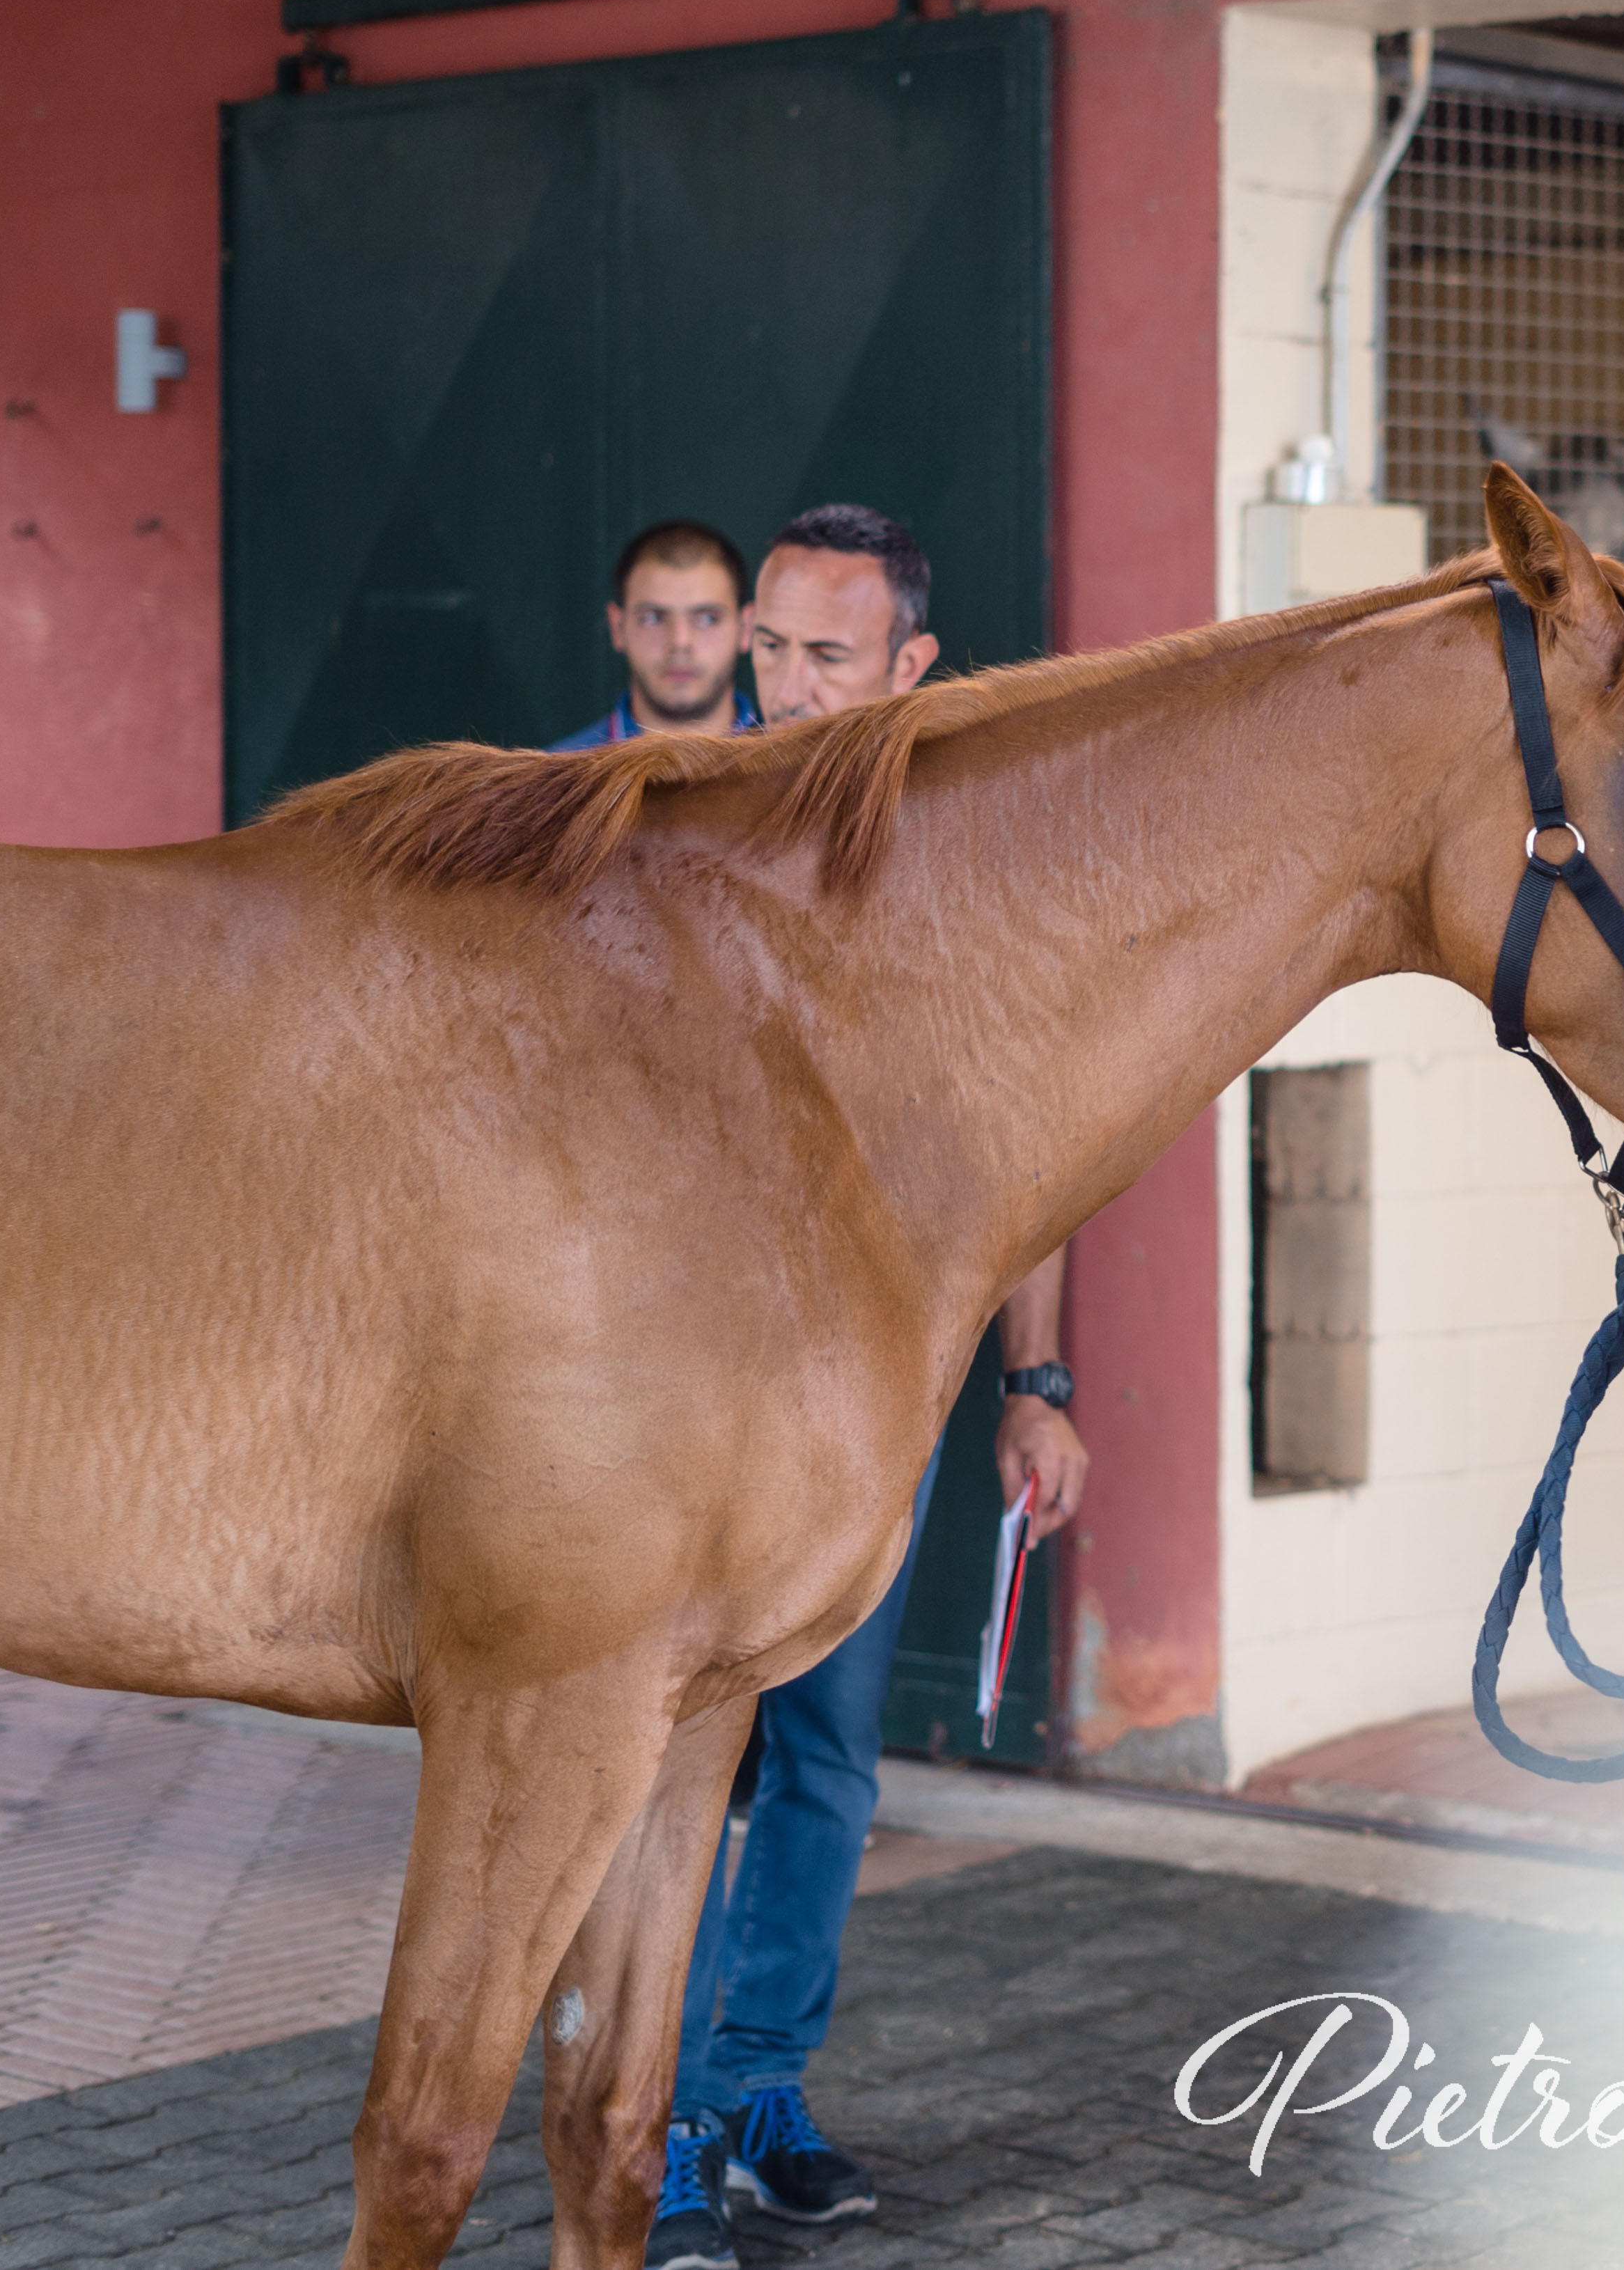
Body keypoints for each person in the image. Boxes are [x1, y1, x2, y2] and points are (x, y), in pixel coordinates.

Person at [652, 503, 1091, 2270]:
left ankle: (759, 2089)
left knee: (826, 1763)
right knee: (672, 1766)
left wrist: (1037, 1380)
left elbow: (1025, 1160)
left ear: (915, 669)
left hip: (881, 1410)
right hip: (682, 1405)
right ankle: (657, 2125)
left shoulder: (975, 880)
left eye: (825, 655)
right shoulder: (675, 840)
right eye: (767, 646)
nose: (780, 685)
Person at [552, 520, 761, 748]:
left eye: (707, 619)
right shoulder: (554, 781)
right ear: (617, 627)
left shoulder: (795, 774)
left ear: (746, 627)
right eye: (653, 618)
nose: (679, 642)